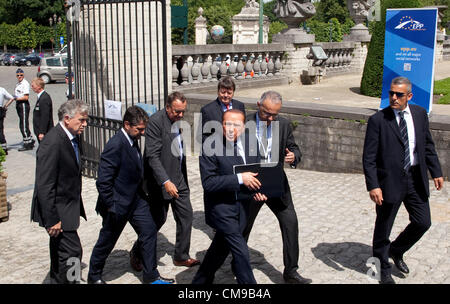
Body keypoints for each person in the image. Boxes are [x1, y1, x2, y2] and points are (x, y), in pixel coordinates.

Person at [363, 76, 444, 284]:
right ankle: (382, 270)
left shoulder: (419, 114)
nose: (393, 98)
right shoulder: (378, 120)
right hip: (389, 182)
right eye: (391, 93)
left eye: (399, 94)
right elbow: (369, 157)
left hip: (416, 178)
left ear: (409, 96)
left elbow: (427, 145)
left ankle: (396, 250)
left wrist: (436, 171)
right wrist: (373, 185)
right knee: (383, 228)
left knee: (423, 221)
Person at [88, 106, 174, 284]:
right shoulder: (115, 144)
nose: (142, 133)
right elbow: (103, 181)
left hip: (136, 201)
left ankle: (151, 276)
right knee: (107, 241)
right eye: (139, 129)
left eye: (143, 129)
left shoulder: (132, 139)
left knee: (149, 231)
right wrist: (112, 205)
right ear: (127, 124)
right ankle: (94, 276)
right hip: (117, 205)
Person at [243, 91, 312, 284]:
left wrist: (294, 156)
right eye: (267, 114)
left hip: (276, 184)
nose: (271, 118)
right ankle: (238, 263)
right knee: (243, 227)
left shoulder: (283, 124)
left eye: (275, 114)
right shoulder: (244, 123)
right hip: (252, 184)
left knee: (291, 223)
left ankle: (291, 271)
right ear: (258, 105)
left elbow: (294, 147)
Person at [192, 109, 266, 284]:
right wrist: (240, 178)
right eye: (228, 124)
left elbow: (257, 172)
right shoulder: (210, 146)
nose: (232, 129)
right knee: (240, 250)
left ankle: (200, 282)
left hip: (243, 207)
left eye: (237, 125)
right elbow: (209, 183)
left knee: (220, 247)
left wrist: (259, 191)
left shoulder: (251, 141)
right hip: (221, 208)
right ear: (221, 125)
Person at [129, 92, 199, 271]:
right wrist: (165, 181)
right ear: (167, 107)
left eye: (183, 111)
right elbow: (152, 156)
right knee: (156, 220)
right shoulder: (155, 122)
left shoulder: (178, 121)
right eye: (177, 111)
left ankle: (181, 256)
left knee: (186, 216)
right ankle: (137, 252)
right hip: (160, 182)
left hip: (179, 178)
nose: (181, 115)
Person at [30, 99, 89, 284]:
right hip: (58, 211)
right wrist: (52, 219)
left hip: (68, 205)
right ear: (67, 119)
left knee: (59, 252)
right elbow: (44, 185)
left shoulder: (72, 136)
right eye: (81, 120)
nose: (85, 124)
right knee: (73, 252)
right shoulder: (52, 143)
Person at [200, 76, 245, 143]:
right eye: (223, 92)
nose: (226, 95)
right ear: (218, 91)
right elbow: (203, 136)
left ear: (233, 92)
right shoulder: (207, 110)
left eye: (229, 93)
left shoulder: (239, 106)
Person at [4, 68, 35, 151]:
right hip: (19, 104)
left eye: (21, 75)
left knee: (23, 125)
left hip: (23, 104)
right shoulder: (18, 84)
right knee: (22, 123)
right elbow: (14, 96)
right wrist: (6, 105)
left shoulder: (25, 83)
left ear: (23, 75)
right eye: (18, 75)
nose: (19, 76)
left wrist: (16, 98)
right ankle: (30, 139)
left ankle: (27, 144)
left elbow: (26, 97)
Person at [31, 78, 54, 143]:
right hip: (39, 130)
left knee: (45, 149)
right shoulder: (41, 97)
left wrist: (42, 132)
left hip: (44, 132)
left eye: (33, 86)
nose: (32, 87)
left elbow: (45, 116)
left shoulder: (44, 98)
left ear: (39, 86)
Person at [0, 87, 14, 153]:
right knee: (0, 130)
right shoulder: (2, 89)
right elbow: (11, 98)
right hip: (0, 110)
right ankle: (4, 148)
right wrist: (5, 106)